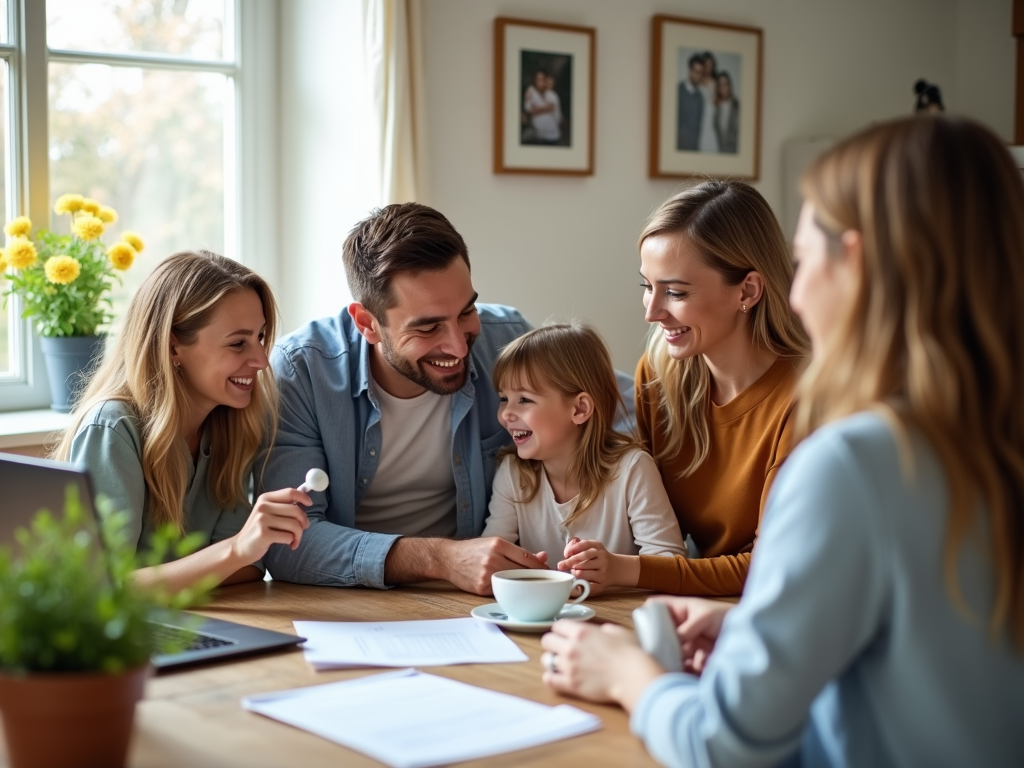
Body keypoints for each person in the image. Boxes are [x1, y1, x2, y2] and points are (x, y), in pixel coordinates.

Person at [542, 116, 1024, 766]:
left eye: (802, 259)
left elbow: (723, 745)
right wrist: (752, 625)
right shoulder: (986, 438)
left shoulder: (855, 463)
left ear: (851, 261)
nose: (796, 291)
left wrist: (625, 672)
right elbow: (933, 645)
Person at [259, 203, 548, 595]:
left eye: (466, 312)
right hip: (352, 602)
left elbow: (612, 412)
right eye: (428, 327)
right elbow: (287, 544)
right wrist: (440, 559)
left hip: (482, 600)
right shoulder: (302, 370)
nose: (458, 347)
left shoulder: (510, 341)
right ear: (367, 323)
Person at [561, 181, 808, 597]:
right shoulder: (659, 376)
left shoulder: (803, 401)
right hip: (698, 603)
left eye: (675, 292)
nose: (652, 312)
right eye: (647, 286)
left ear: (747, 291)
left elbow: (770, 568)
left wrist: (625, 570)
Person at [54, 251, 311, 592]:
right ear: (173, 346)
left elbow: (249, 567)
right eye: (238, 343)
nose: (262, 360)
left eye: (261, 337)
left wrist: (224, 559)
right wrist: (232, 551)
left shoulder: (230, 427)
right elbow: (100, 589)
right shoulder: (113, 429)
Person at [482, 323, 686, 587]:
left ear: (579, 408)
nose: (506, 414)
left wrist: (614, 570)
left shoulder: (632, 468)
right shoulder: (512, 471)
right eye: (503, 398)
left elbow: (671, 562)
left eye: (524, 400)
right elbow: (491, 555)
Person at [523, 69, 561, 144]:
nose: (539, 82)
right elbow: (528, 110)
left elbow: (550, 107)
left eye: (542, 79)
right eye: (537, 79)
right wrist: (541, 109)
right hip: (538, 136)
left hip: (552, 136)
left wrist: (535, 109)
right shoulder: (531, 91)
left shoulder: (551, 94)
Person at [676, 54, 704, 151]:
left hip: (693, 151)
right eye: (695, 71)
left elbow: (698, 129)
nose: (698, 75)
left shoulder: (700, 97)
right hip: (678, 149)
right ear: (689, 70)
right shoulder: (678, 91)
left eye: (700, 72)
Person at [697, 52, 720, 153]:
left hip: (711, 114)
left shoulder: (715, 81)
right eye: (707, 65)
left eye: (711, 66)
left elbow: (717, 101)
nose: (709, 68)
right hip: (699, 112)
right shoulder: (698, 80)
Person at [714, 71, 739, 153]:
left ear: (729, 86)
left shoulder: (737, 106)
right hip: (721, 152)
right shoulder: (716, 108)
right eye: (720, 85)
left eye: (725, 84)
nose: (723, 88)